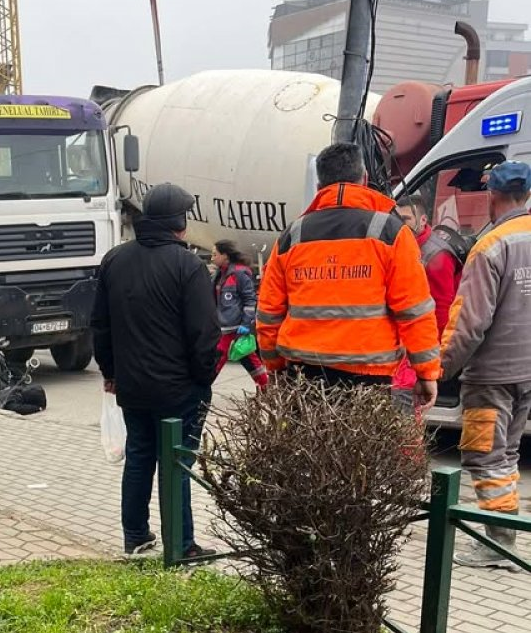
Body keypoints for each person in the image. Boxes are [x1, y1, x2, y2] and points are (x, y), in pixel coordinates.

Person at [256, 142, 441, 405]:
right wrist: (426, 372)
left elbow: (269, 312)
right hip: (368, 379)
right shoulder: (390, 232)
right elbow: (414, 310)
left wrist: (274, 367)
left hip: (302, 378)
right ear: (364, 179)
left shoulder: (293, 235)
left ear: (319, 186)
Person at [91, 182, 220, 558]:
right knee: (177, 462)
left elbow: (100, 325)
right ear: (179, 223)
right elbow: (205, 333)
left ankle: (135, 536)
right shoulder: (188, 266)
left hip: (132, 386)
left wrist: (111, 373)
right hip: (180, 389)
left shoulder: (114, 260)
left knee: (140, 456)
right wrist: (203, 378)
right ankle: (181, 545)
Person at [441, 160, 531, 569]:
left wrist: (439, 369)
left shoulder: (491, 245)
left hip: (492, 374)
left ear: (492, 196)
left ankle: (499, 544)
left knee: (485, 455)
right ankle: (504, 532)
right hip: (525, 372)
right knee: (507, 453)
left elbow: (469, 322)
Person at [391, 194, 462, 410]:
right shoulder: (409, 246)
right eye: (397, 219)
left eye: (406, 219)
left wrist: (431, 365)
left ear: (423, 220)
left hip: (419, 350)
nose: (400, 225)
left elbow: (442, 313)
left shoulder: (436, 255)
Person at [211, 240, 267, 388]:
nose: (212, 258)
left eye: (215, 255)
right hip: (224, 327)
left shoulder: (239, 274)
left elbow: (250, 300)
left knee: (216, 360)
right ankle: (266, 387)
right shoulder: (219, 274)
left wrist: (246, 324)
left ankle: (202, 388)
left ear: (225, 255)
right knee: (250, 361)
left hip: (233, 328)